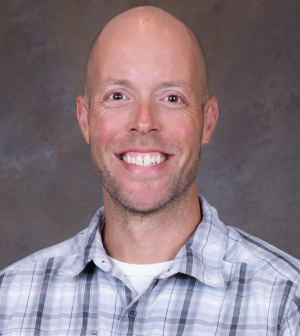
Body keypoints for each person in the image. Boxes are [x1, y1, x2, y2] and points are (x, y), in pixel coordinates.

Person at [0, 6, 300, 336]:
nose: (144, 122)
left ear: (208, 121)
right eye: (117, 95)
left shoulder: (285, 303)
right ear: (85, 119)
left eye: (172, 97)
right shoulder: (11, 301)